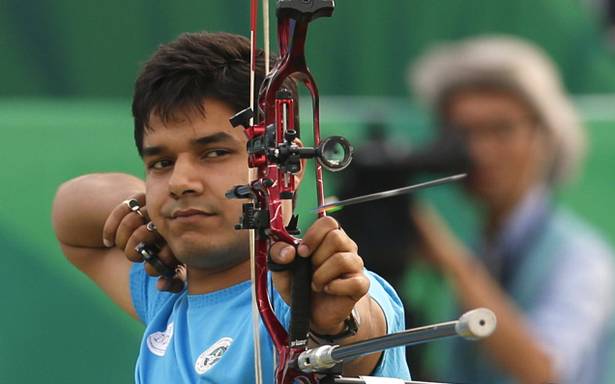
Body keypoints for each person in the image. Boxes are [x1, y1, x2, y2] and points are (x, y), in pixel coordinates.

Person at [51, 31, 411, 383]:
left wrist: (328, 325)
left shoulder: (311, 289)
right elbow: (70, 208)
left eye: (214, 153)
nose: (180, 181)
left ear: (289, 167)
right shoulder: (168, 294)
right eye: (161, 163)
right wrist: (145, 215)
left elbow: (357, 336)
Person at [407, 36, 615, 384]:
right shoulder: (485, 247)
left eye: (501, 129)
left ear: (545, 134)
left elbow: (545, 371)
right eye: (463, 134)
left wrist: (451, 261)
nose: (481, 152)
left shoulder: (581, 259)